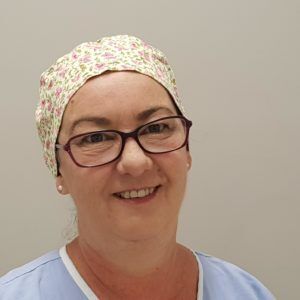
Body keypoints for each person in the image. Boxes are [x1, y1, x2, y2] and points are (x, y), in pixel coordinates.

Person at [0, 35, 275, 299]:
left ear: (187, 149)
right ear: (59, 170)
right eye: (96, 137)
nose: (135, 162)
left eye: (156, 128)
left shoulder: (246, 293)